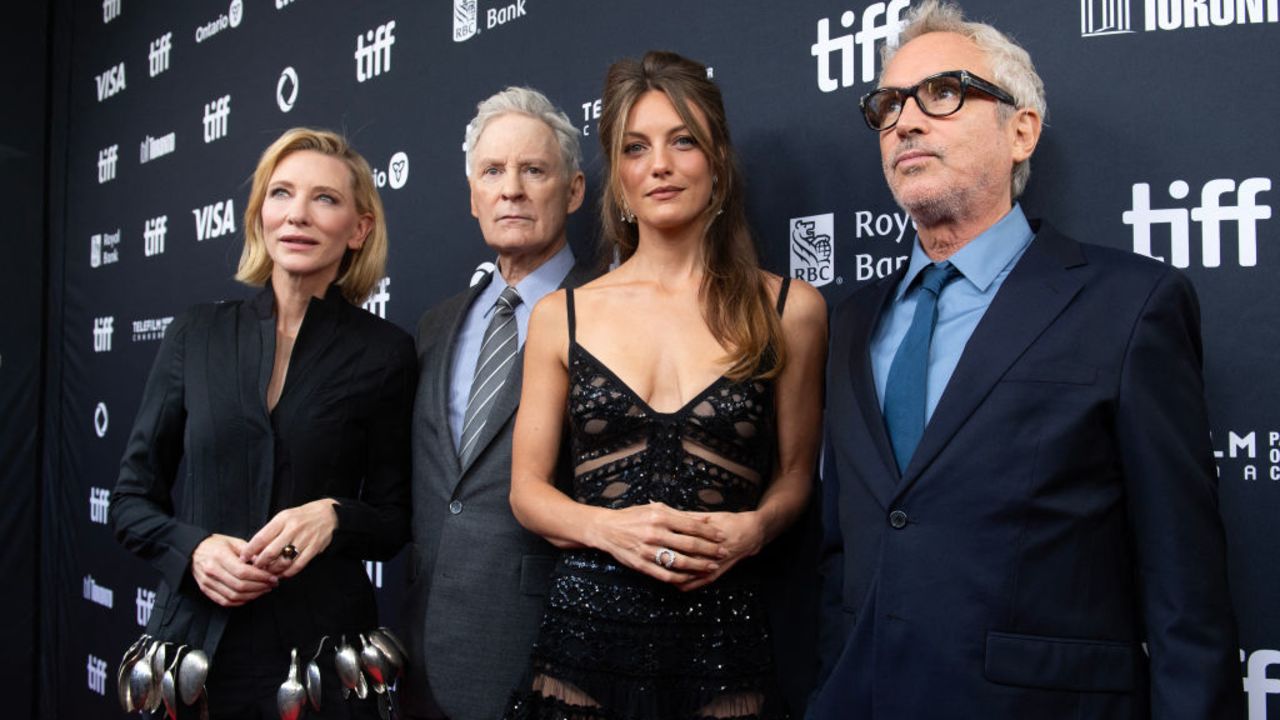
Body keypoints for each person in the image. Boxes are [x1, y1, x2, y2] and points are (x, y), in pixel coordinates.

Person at [811, 2, 1242, 718]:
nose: (906, 122)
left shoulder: (1131, 305)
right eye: (888, 105)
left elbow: (1184, 591)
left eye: (942, 94)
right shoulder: (850, 320)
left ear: (1021, 129)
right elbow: (842, 549)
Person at [504, 51, 827, 719]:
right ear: (617, 177)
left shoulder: (790, 308)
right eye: (635, 147)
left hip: (725, 634)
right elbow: (528, 493)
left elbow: (797, 474)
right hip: (582, 643)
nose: (660, 165)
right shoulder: (561, 316)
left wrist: (755, 529)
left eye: (684, 141)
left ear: (718, 163)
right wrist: (607, 530)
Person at [110, 128, 415, 719]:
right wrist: (193, 550)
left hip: (319, 662)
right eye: (281, 194)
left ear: (359, 228)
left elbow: (395, 518)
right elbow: (129, 501)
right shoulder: (195, 334)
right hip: (194, 649)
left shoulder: (386, 352)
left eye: (324, 198)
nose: (297, 214)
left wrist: (334, 516)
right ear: (260, 216)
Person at [400, 87, 593, 720]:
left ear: (573, 191)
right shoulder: (435, 325)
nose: (510, 188)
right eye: (492, 172)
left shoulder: (608, 312)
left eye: (533, 170)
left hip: (552, 656)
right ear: (473, 196)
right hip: (422, 651)